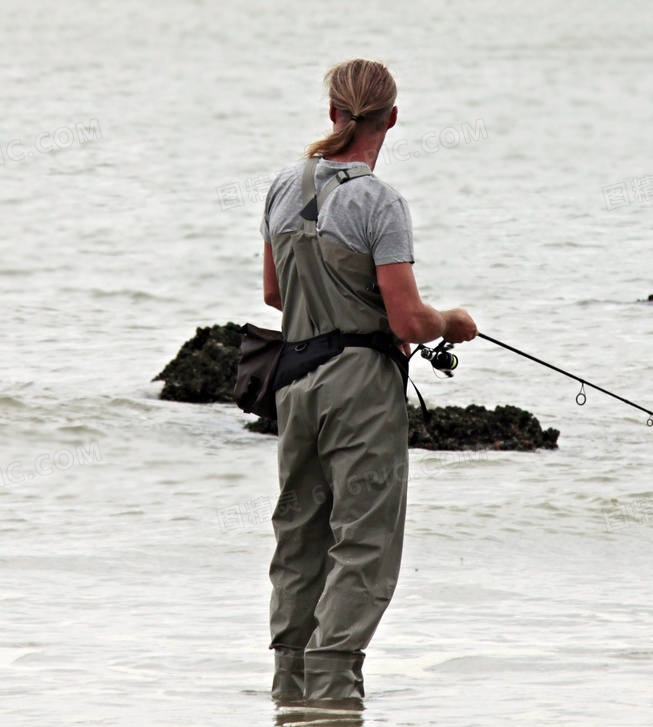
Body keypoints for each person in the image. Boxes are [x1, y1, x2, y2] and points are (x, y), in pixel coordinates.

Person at [259, 59, 478, 703]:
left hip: (293, 382)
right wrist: (454, 323)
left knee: (299, 537)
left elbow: (275, 294)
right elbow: (410, 318)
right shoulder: (379, 201)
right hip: (359, 387)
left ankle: (289, 690)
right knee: (364, 541)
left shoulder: (279, 186)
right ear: (392, 118)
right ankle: (332, 691)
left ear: (333, 112)